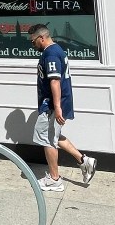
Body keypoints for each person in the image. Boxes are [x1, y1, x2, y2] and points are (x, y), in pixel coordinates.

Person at [30, 23, 96, 191]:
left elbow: (55, 81)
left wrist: (57, 106)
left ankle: (54, 180)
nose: (32, 45)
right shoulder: (57, 49)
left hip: (52, 104)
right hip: (57, 103)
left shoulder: (51, 53)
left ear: (41, 38)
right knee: (53, 135)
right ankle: (84, 161)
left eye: (33, 41)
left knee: (46, 137)